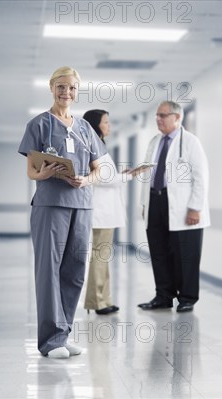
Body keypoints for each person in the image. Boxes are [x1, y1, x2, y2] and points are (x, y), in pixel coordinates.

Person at [18, 66, 107, 359]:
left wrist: (86, 180)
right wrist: (44, 174)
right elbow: (31, 170)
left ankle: (64, 334)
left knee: (75, 271)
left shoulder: (85, 128)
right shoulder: (39, 124)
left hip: (81, 204)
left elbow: (98, 169)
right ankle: (50, 341)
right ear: (51, 88)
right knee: (49, 271)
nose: (66, 92)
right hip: (50, 205)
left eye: (71, 88)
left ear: (76, 91)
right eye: (60, 87)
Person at [138, 101, 210, 313]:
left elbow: (201, 177)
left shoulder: (190, 142)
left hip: (182, 205)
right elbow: (147, 174)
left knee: (185, 254)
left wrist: (195, 207)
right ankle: (164, 296)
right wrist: (145, 203)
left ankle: (187, 297)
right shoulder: (155, 142)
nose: (158, 119)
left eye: (163, 115)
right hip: (156, 200)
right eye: (157, 116)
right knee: (159, 251)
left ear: (177, 117)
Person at [82, 109, 139, 315]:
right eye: (105, 122)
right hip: (101, 211)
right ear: (96, 125)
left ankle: (104, 300)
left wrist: (120, 175)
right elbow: (102, 178)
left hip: (105, 211)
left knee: (102, 257)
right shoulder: (92, 146)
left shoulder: (98, 146)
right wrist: (129, 177)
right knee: (100, 256)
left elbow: (106, 175)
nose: (109, 126)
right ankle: (97, 302)